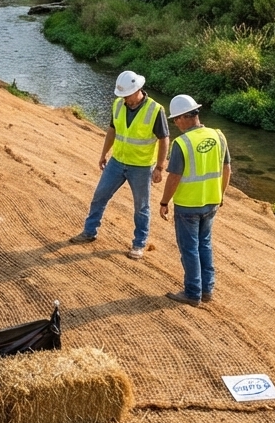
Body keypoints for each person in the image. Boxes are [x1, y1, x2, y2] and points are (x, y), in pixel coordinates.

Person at [69, 70, 169, 259]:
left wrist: (160, 168)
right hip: (117, 161)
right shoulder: (118, 104)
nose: (124, 99)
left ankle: (139, 244)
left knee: (142, 206)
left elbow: (164, 139)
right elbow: (112, 130)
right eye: (122, 95)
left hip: (141, 166)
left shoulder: (155, 110)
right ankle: (89, 232)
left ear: (138, 89)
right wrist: (104, 153)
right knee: (100, 195)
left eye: (127, 95)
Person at [158, 94, 231, 306]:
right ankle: (207, 290)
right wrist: (221, 195)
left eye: (175, 120)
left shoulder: (181, 143)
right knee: (204, 245)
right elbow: (227, 169)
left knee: (189, 249)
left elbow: (174, 177)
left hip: (188, 206)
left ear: (183, 118)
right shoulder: (219, 136)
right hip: (211, 202)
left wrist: (164, 202)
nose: (175, 124)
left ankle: (192, 293)